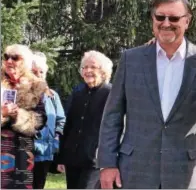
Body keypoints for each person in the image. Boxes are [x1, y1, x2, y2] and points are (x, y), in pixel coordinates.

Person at [98, 0, 196, 189]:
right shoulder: (131, 59)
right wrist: (107, 163)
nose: (166, 23)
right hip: (135, 167)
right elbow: (112, 115)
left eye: (174, 18)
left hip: (184, 170)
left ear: (187, 21)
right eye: (160, 17)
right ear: (152, 19)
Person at [57, 50, 113, 189]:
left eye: (93, 67)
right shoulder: (77, 93)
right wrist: (61, 157)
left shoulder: (111, 93)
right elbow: (69, 125)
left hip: (95, 159)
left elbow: (116, 127)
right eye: (85, 67)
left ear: (103, 71)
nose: (88, 70)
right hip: (73, 157)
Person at [1, 44, 47, 189]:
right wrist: (2, 113)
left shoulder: (36, 85)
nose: (9, 61)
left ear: (25, 62)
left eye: (15, 58)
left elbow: (40, 119)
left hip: (22, 150)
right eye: (6, 57)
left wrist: (17, 115)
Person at [31, 52, 66, 189]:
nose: (38, 74)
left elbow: (61, 119)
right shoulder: (21, 93)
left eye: (41, 71)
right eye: (34, 71)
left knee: (39, 185)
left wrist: (56, 137)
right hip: (26, 150)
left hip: (46, 152)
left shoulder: (52, 95)